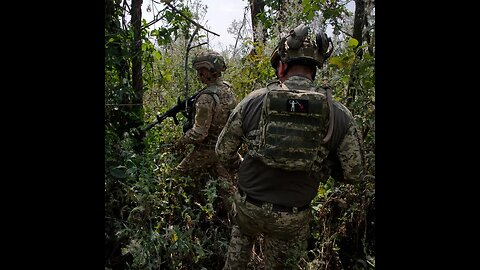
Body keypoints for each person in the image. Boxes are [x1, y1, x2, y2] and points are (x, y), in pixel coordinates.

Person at [215, 23, 365, 269]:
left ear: (282, 65)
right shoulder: (338, 114)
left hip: (248, 207)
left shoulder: (254, 101)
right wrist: (322, 166)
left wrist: (238, 166)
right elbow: (355, 173)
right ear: (315, 69)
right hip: (292, 216)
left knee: (236, 258)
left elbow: (222, 151)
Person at [173, 49, 238, 183]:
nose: (199, 75)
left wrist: (180, 143)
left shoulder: (206, 97)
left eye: (200, 71)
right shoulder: (227, 89)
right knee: (227, 190)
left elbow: (199, 133)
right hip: (225, 148)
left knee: (175, 178)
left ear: (208, 71)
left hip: (207, 150)